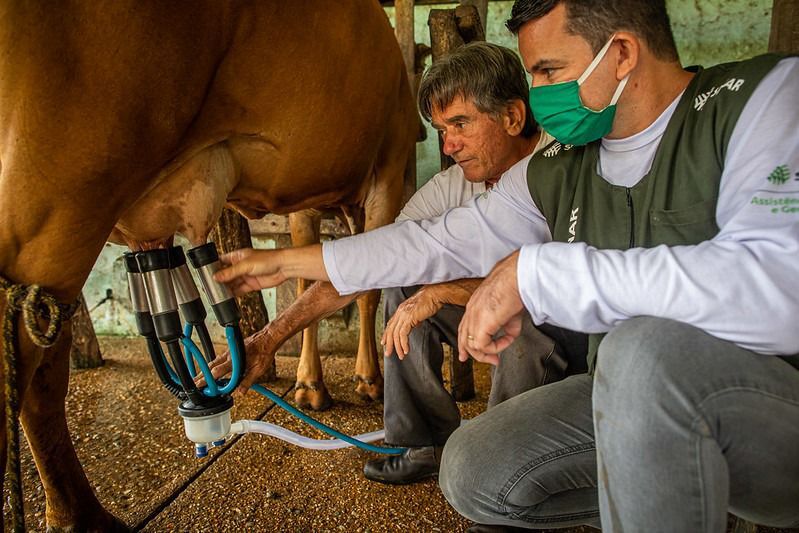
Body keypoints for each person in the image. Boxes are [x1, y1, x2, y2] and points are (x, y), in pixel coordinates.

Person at [210, 0, 799, 530]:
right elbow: (434, 241)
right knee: (472, 470)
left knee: (640, 350)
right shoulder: (559, 164)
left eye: (549, 72)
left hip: (775, 413)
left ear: (620, 54)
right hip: (625, 397)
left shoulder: (765, 97)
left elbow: (781, 290)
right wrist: (292, 260)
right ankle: (680, 489)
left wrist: (531, 273)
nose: (539, 93)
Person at [364, 42, 586, 486]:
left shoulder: (564, 164)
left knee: (520, 316)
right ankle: (426, 442)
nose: (448, 145)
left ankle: (504, 469)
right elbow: (394, 251)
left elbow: (553, 282)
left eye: (460, 123)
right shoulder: (454, 184)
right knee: (404, 291)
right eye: (441, 129)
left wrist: (446, 290)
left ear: (512, 117)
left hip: (569, 327)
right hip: (496, 307)